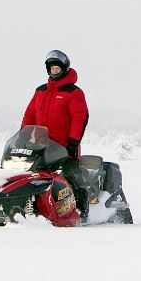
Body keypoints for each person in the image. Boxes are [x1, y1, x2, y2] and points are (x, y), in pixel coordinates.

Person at [22, 50, 92, 222]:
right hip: (41, 147)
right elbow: (29, 115)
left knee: (71, 174)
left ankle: (82, 211)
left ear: (64, 69)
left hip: (65, 148)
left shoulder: (73, 92)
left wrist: (73, 141)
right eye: (51, 68)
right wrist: (25, 135)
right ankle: (26, 207)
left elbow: (80, 117)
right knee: (27, 175)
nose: (54, 71)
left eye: (57, 68)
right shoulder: (41, 91)